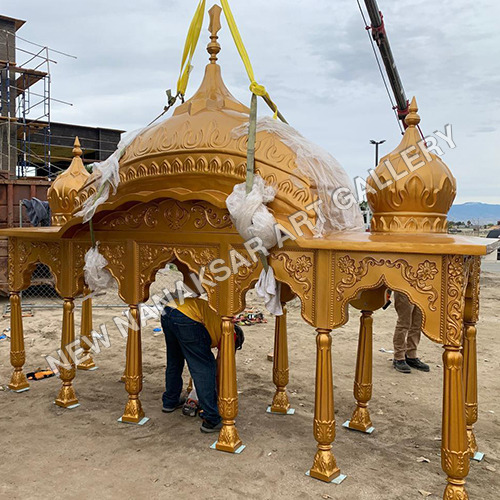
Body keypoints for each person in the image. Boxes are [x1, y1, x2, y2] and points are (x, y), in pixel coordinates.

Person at [161, 295, 243, 433]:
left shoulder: (219, 322)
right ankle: (212, 418)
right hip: (188, 317)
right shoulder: (229, 335)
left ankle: (170, 400)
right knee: (204, 367)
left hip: (168, 311)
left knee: (175, 360)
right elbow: (219, 366)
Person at [392, 291, 430, 374]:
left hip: (421, 287)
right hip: (404, 286)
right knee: (404, 322)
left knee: (418, 322)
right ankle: (399, 356)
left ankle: (411, 354)